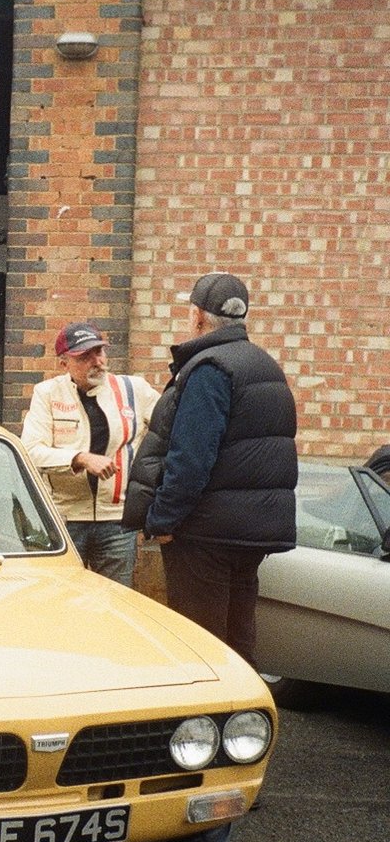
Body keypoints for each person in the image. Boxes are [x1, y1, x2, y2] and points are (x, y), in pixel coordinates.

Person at [122, 271, 297, 665]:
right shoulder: (266, 366)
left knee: (201, 649)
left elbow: (190, 460)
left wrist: (162, 521)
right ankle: (243, 725)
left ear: (197, 317)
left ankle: (206, 726)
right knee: (237, 645)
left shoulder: (210, 368)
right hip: (251, 534)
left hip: (204, 533)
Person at [20, 321, 159, 587]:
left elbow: (171, 432)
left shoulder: (134, 390)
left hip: (116, 519)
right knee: (60, 600)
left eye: (100, 352)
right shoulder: (47, 394)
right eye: (85, 356)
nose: (97, 361)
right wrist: (79, 458)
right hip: (65, 518)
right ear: (64, 364)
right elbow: (31, 452)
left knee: (115, 602)